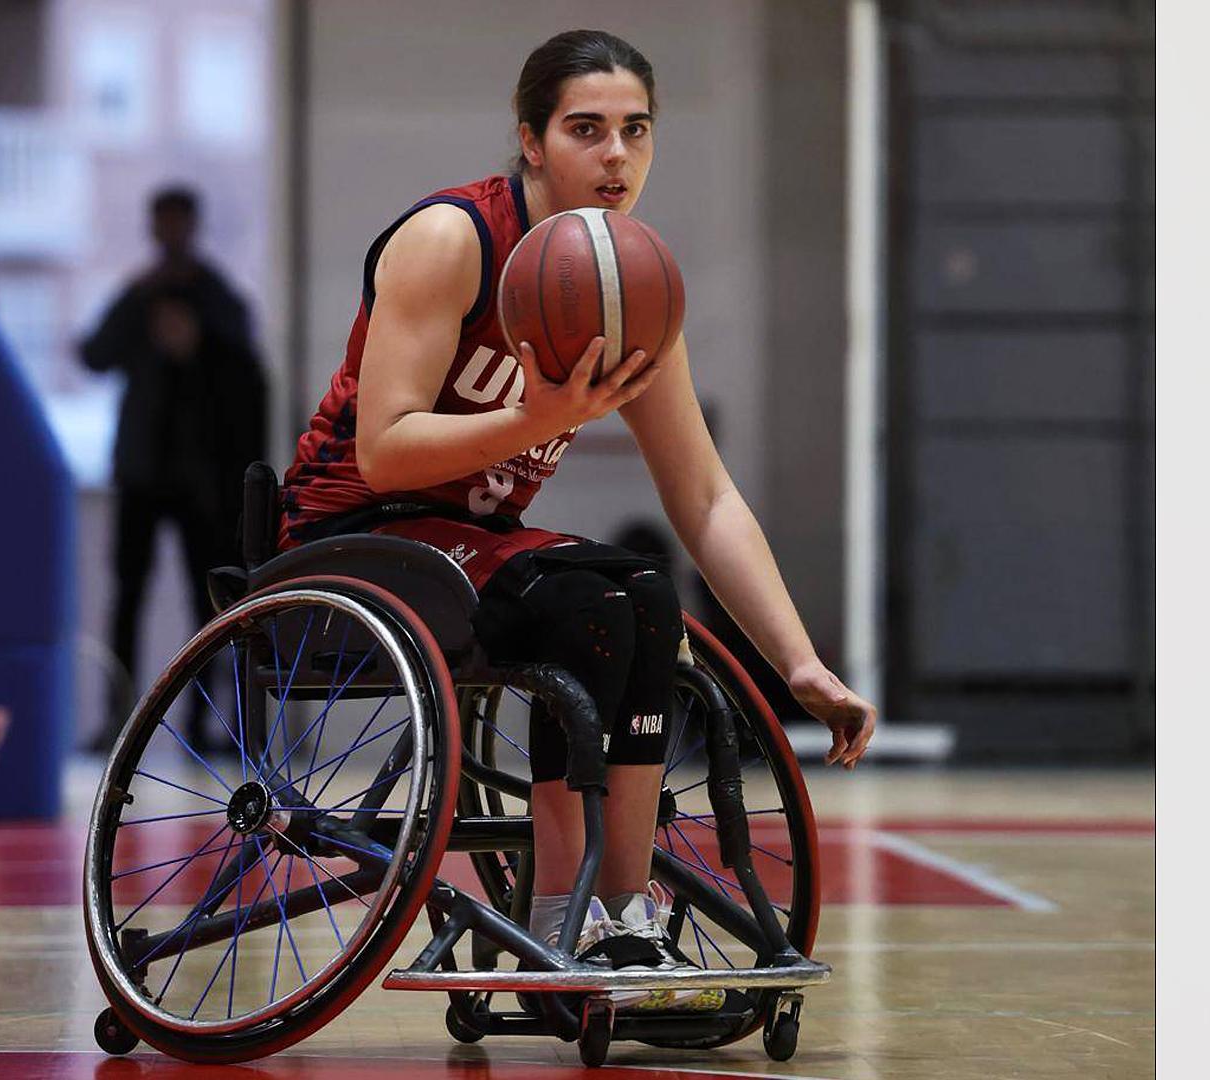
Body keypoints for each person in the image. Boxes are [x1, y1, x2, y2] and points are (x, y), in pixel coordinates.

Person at [275, 29, 875, 1008]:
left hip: (473, 550)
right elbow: (383, 448)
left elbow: (706, 495)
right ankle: (564, 919)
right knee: (578, 600)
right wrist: (536, 418)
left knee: (638, 589)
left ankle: (620, 919)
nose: (616, 156)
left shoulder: (635, 287)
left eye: (636, 131)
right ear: (531, 141)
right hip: (352, 540)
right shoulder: (451, 240)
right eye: (586, 129)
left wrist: (797, 660)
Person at [81, 185, 267, 748]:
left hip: (199, 481)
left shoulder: (216, 298)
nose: (170, 234)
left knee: (206, 600)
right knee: (127, 599)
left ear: (192, 225)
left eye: (178, 222)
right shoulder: (139, 297)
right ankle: (119, 723)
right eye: (162, 223)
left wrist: (198, 341)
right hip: (141, 474)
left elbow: (244, 370)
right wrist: (135, 302)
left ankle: (203, 723)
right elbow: (94, 355)